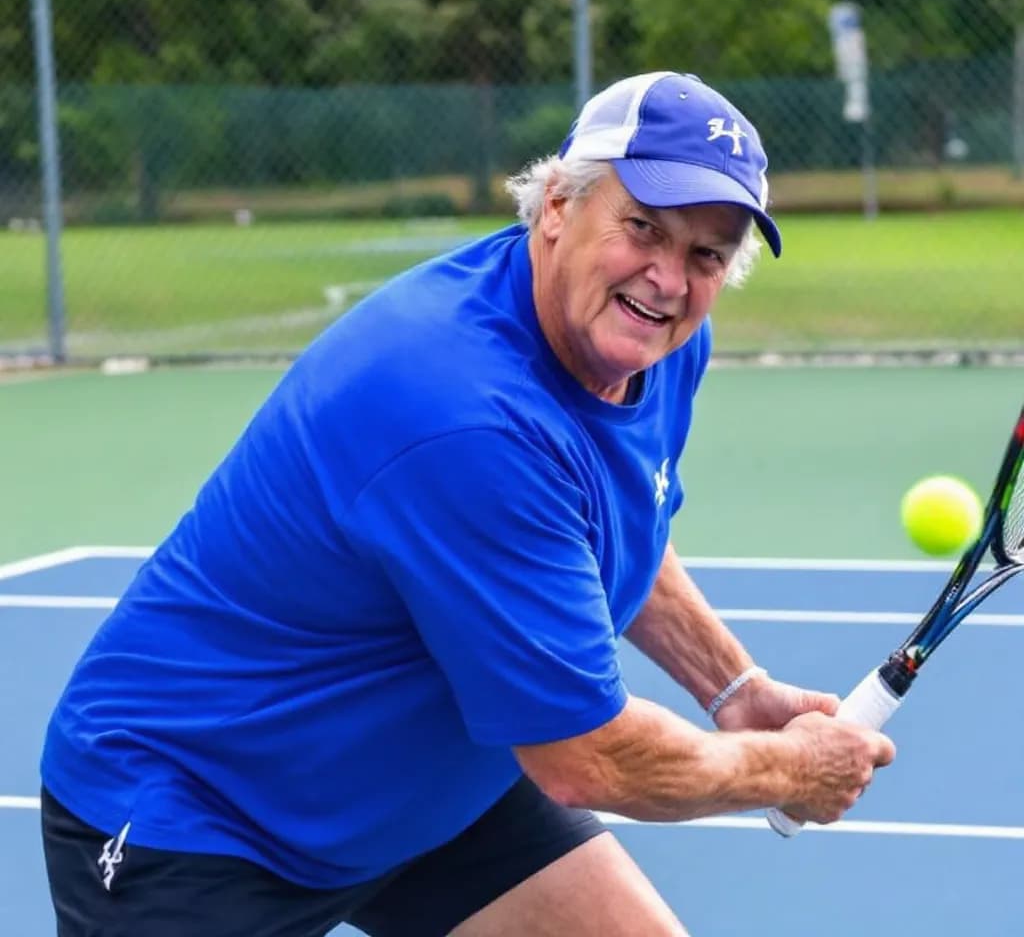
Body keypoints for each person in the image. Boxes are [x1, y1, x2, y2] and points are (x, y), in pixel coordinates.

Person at [41, 71, 895, 937]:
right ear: (557, 204)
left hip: (422, 796)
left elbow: (612, 521)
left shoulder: (656, 343)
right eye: (644, 228)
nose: (667, 279)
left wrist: (735, 688)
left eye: (706, 255)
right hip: (203, 812)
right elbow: (585, 757)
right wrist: (787, 769)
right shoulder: (464, 415)